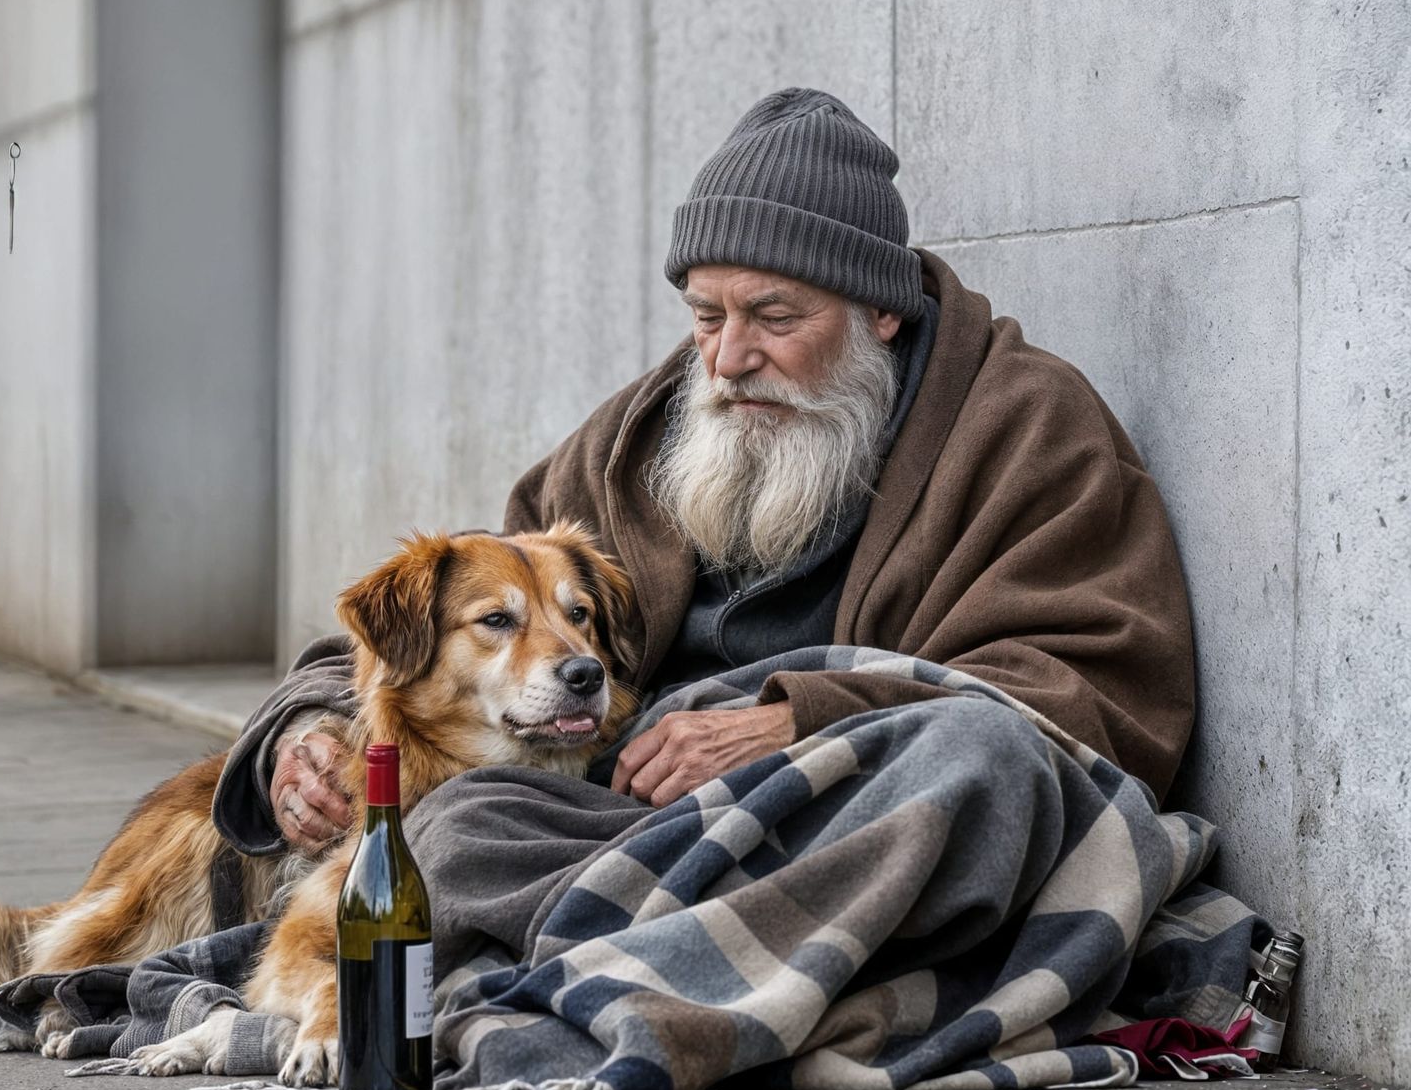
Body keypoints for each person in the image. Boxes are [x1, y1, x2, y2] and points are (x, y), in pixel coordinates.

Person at [211, 87, 1193, 859]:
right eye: (705, 316)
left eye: (773, 318)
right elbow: (459, 618)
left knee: (977, 769)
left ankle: (622, 967)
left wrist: (790, 725)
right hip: (632, 812)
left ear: (879, 313)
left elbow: (1081, 704)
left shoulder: (1029, 426)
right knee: (459, 829)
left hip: (842, 810)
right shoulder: (643, 433)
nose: (726, 361)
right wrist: (308, 729)